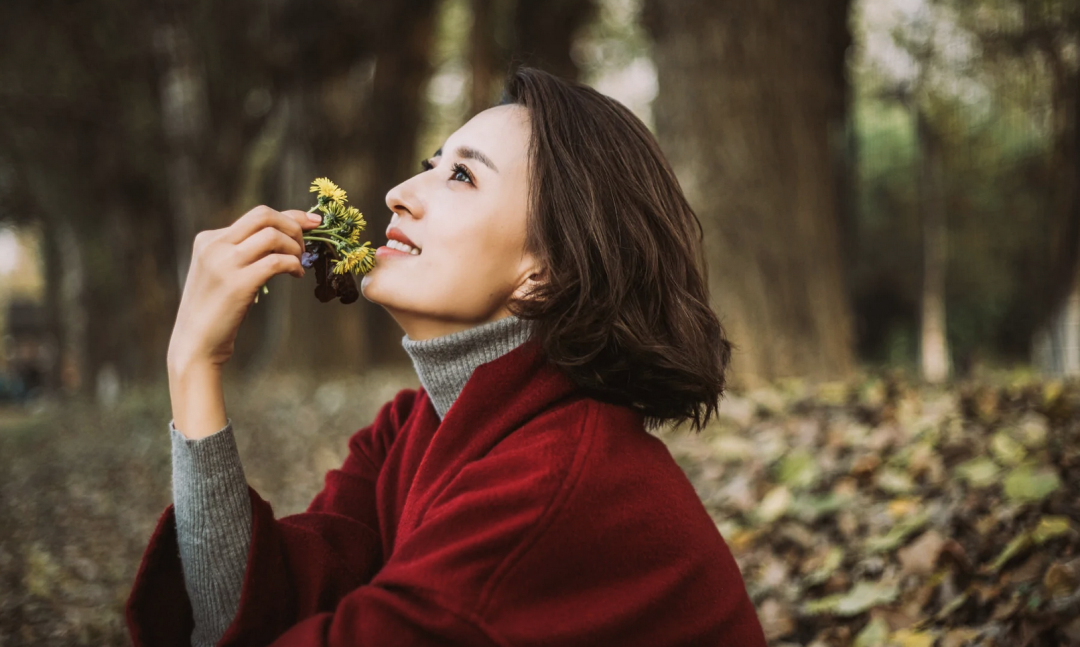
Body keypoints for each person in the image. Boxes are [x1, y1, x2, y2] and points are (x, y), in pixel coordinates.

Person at [125, 66, 767, 647]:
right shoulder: (410, 430)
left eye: (461, 175)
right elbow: (263, 606)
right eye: (431, 163)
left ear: (544, 275)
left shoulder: (551, 488)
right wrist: (193, 365)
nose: (399, 192)